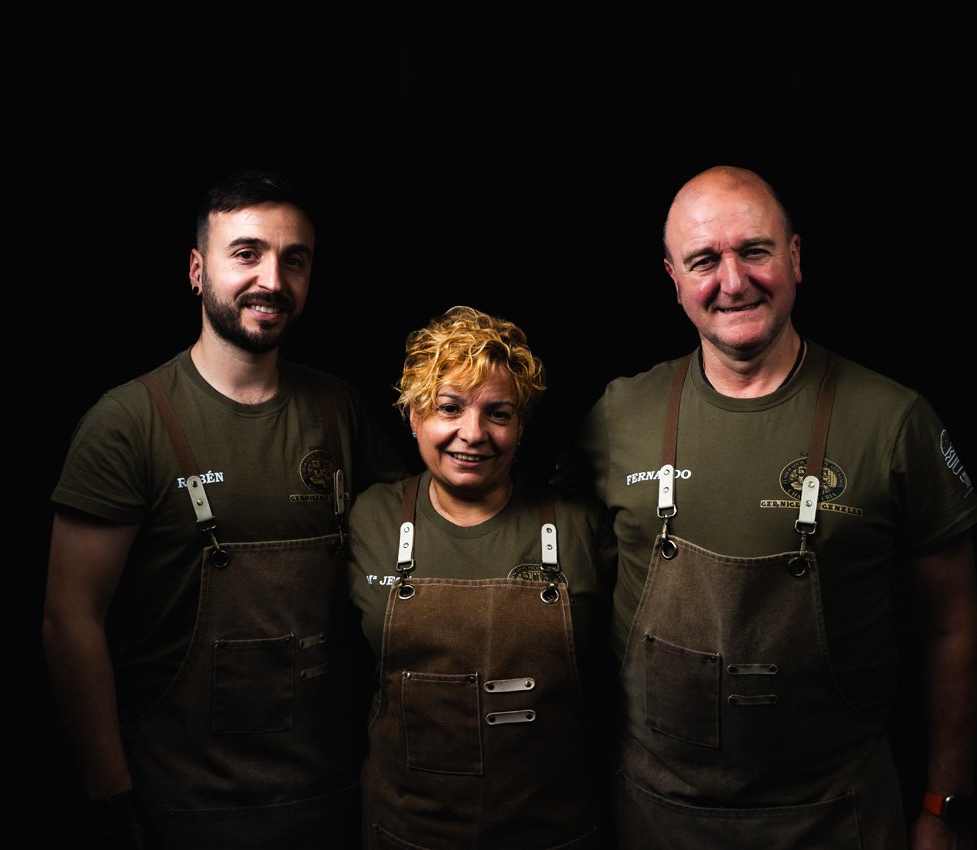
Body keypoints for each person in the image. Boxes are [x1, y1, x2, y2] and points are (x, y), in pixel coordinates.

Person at [572, 165, 977, 849]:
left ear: (795, 258)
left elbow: (953, 628)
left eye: (754, 251)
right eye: (704, 261)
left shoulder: (892, 420)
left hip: (836, 816)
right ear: (673, 280)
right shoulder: (619, 415)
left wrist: (945, 808)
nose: (733, 282)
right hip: (654, 817)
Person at [42, 168, 408, 849]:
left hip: (333, 798)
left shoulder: (340, 410)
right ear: (196, 269)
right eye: (246, 253)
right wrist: (111, 793)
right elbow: (70, 620)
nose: (272, 279)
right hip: (179, 805)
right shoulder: (128, 423)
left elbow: (418, 534)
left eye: (294, 260)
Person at [348, 305, 618, 849]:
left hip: (554, 829)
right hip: (406, 829)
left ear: (520, 426)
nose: (472, 434)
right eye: (449, 407)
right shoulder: (372, 517)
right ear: (414, 414)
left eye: (498, 413)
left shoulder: (578, 524)